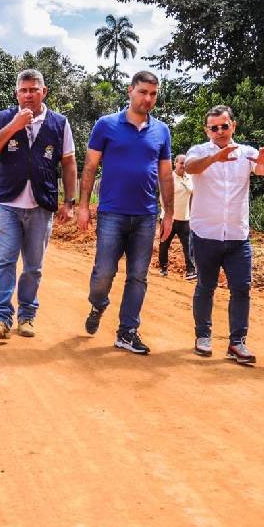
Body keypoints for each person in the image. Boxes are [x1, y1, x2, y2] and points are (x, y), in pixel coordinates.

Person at [77, 71, 173, 354]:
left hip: (146, 215)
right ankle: (98, 304)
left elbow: (166, 175)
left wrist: (168, 214)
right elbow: (90, 166)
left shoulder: (162, 131)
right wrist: (83, 206)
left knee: (138, 276)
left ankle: (127, 331)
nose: (148, 99)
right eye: (143, 92)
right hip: (112, 213)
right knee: (104, 273)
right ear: (130, 91)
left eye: (153, 94)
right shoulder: (106, 125)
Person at [0, 69, 78, 339]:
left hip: (41, 206)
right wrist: (14, 126)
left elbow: (69, 163)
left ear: (44, 92)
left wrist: (69, 202)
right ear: (16, 94)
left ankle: (27, 316)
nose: (28, 95)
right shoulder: (2, 118)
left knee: (33, 267)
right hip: (8, 204)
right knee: (5, 261)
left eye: (34, 89)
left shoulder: (59, 123)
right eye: (23, 90)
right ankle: (1, 317)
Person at [183, 105, 264, 364]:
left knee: (242, 288)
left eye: (224, 126)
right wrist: (215, 158)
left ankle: (237, 343)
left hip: (237, 236)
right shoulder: (200, 151)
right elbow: (190, 167)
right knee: (205, 286)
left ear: (233, 126)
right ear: (207, 130)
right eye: (214, 128)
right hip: (206, 234)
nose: (220, 131)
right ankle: (203, 336)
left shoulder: (246, 153)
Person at [158, 154, 195, 279]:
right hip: (169, 218)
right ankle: (163, 268)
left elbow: (193, 195)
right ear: (175, 163)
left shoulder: (190, 178)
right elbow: (162, 198)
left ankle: (191, 271)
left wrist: (192, 213)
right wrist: (167, 215)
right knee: (164, 244)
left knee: (188, 246)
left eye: (185, 163)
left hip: (185, 219)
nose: (183, 165)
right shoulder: (169, 178)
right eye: (181, 163)